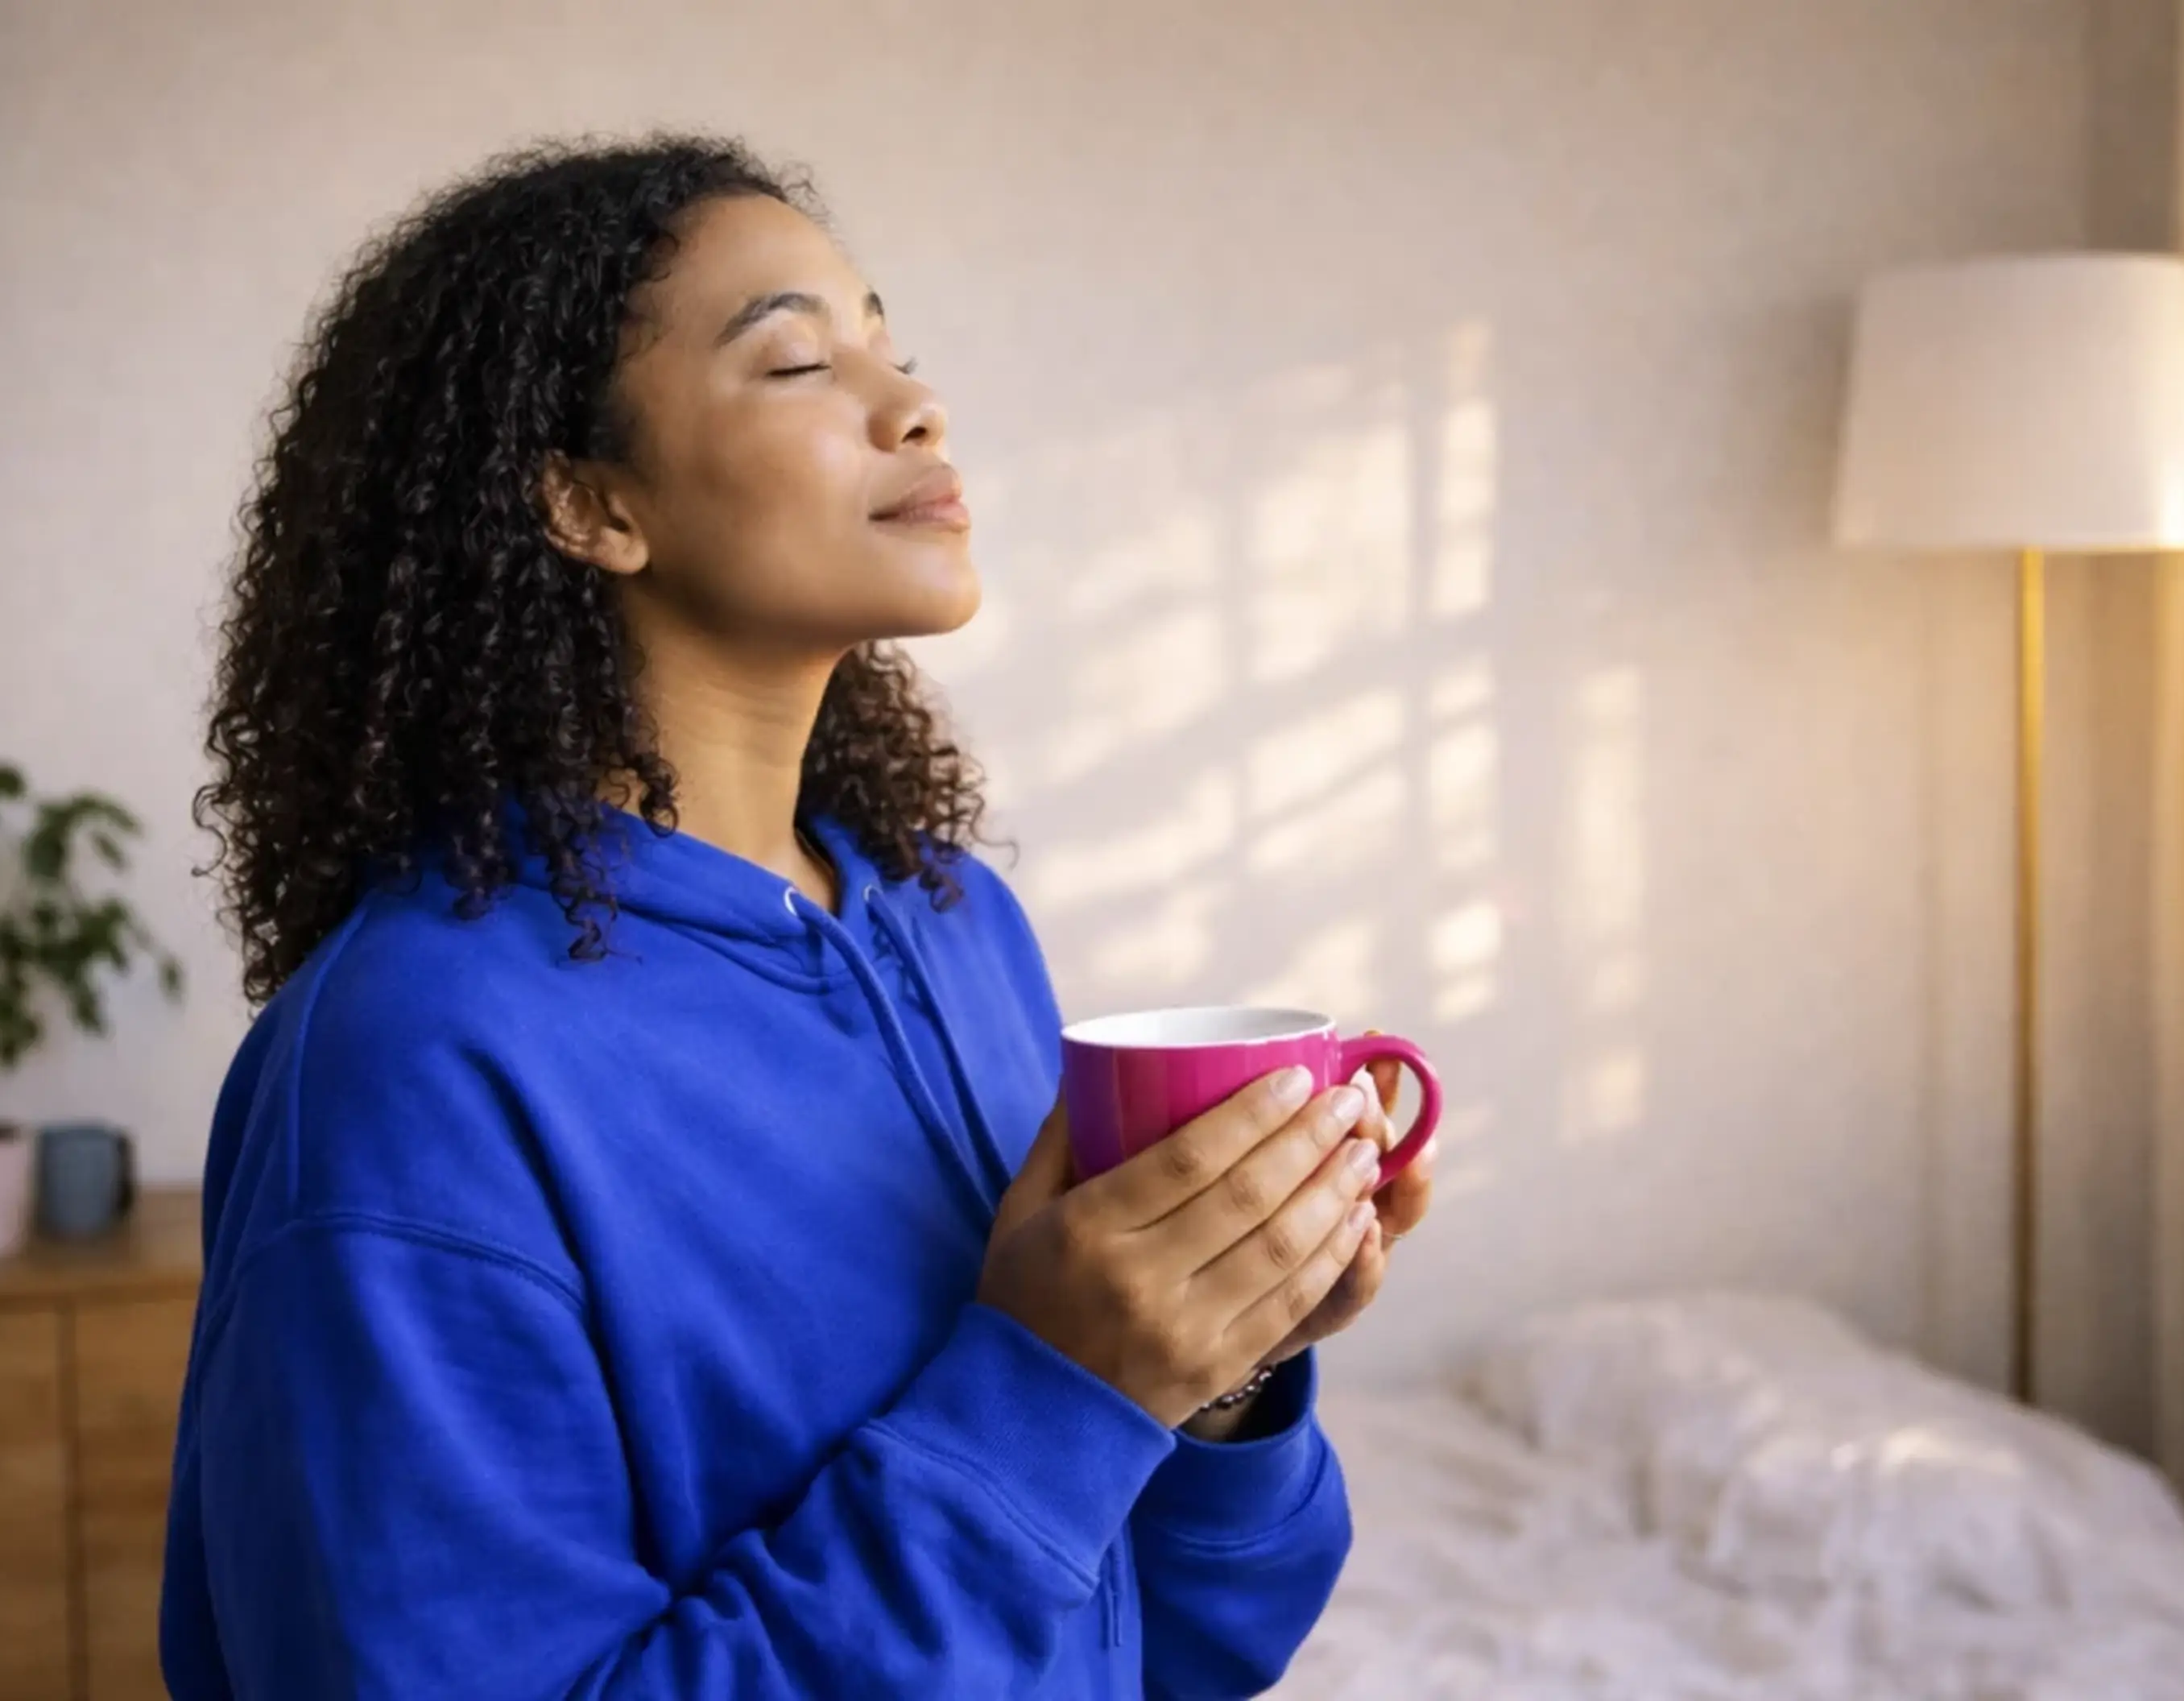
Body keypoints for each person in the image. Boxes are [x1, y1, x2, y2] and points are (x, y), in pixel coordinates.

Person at [161, 135, 1436, 1699]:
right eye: (793, 362)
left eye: (890, 344)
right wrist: (1054, 1390)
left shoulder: (957, 927)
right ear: (586, 501)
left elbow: (1188, 1644)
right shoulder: (409, 1070)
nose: (913, 403)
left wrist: (1217, 1354)